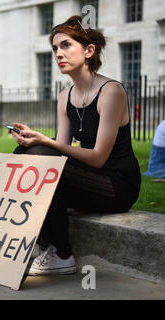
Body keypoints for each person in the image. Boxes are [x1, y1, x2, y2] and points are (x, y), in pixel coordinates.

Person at [8, 16, 141, 275]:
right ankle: (43, 243)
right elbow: (58, 150)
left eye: (66, 45)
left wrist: (44, 141)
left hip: (116, 185)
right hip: (87, 180)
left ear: (89, 51)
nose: (59, 53)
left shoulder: (111, 91)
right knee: (25, 153)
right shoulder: (64, 97)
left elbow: (99, 158)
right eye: (55, 48)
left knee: (38, 154)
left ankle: (62, 254)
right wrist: (32, 141)